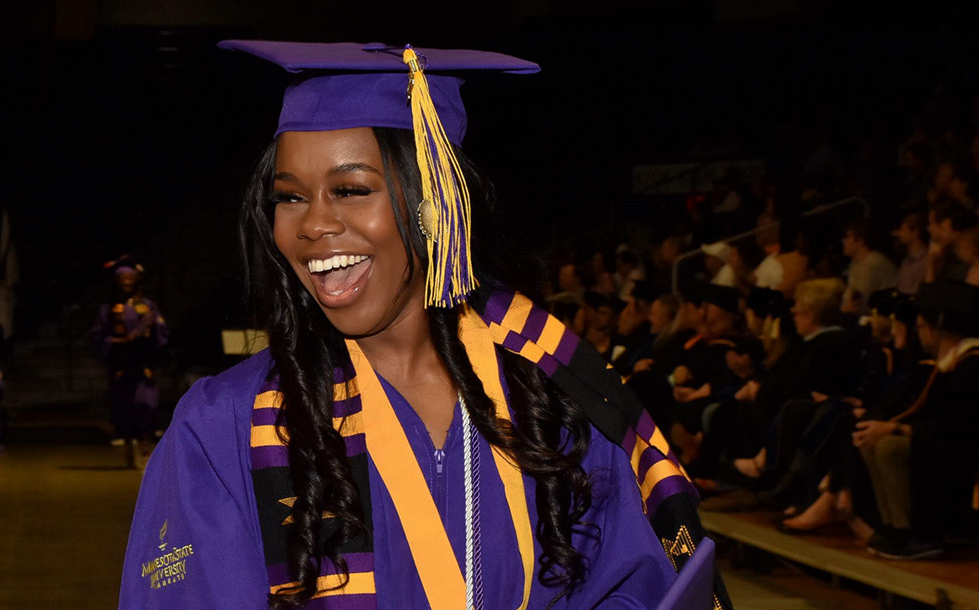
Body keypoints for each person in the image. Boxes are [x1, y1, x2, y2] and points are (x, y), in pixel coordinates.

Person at [120, 41, 724, 610]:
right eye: (290, 196)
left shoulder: (554, 395)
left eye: (351, 189)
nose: (312, 225)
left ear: (435, 204)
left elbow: (635, 583)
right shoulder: (225, 422)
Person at [857, 281, 979, 560]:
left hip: (975, 452)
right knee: (872, 438)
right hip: (947, 442)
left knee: (889, 445)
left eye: (921, 327)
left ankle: (921, 535)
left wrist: (898, 428)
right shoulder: (951, 363)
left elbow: (962, 425)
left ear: (937, 327)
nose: (919, 335)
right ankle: (895, 528)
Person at [92, 257, 169, 466]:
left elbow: (162, 334)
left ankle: (145, 446)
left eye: (130, 278)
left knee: (147, 404)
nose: (126, 282)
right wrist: (115, 342)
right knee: (123, 407)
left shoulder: (146, 306)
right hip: (121, 364)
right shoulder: (108, 309)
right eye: (122, 278)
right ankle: (128, 447)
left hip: (143, 364)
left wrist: (150, 331)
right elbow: (99, 335)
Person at [840, 220, 897, 314]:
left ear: (860, 241)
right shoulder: (855, 264)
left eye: (847, 237)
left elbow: (862, 302)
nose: (843, 241)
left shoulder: (872, 263)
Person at [891, 212, 928, 294]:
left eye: (903, 230)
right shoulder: (907, 260)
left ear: (915, 232)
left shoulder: (925, 260)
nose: (899, 233)